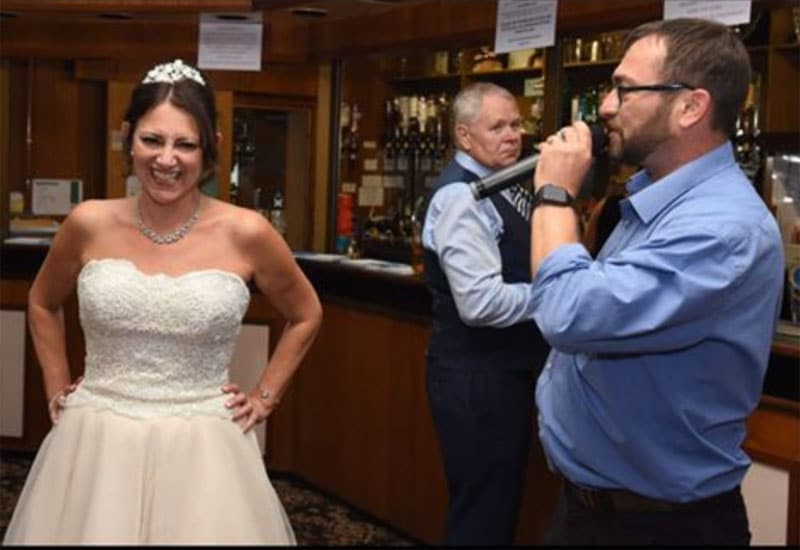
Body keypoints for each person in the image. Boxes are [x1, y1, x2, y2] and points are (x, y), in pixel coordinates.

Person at [3, 59, 322, 545]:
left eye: (185, 144)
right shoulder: (89, 222)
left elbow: (306, 313)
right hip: (95, 442)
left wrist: (264, 397)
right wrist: (55, 387)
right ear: (129, 137)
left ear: (209, 146)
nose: (166, 159)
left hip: (204, 448)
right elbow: (43, 302)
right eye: (153, 140)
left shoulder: (247, 231)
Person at [529, 18, 783, 546]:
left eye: (623, 89)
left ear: (691, 106)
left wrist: (553, 193)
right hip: (589, 509)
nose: (603, 106)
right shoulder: (654, 200)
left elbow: (567, 312)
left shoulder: (720, 226)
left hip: (660, 526)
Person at [421, 82, 550, 545]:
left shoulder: (505, 182)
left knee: (498, 510)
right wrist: (555, 293)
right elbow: (479, 304)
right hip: (477, 377)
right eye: (497, 126)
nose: (512, 135)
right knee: (482, 518)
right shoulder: (460, 196)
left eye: (516, 124)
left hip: (503, 373)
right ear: (464, 136)